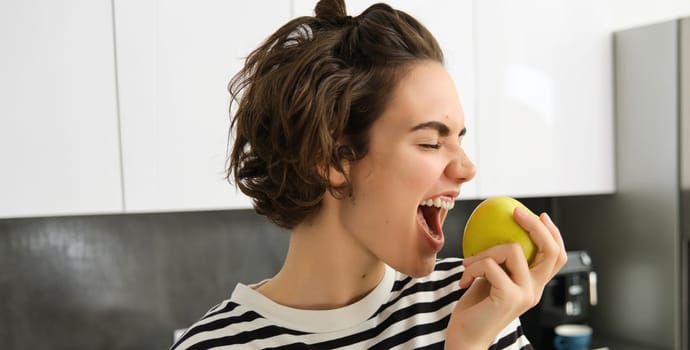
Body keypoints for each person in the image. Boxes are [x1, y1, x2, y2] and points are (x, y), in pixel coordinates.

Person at [171, 0, 567, 349]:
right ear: (333, 159)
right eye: (430, 142)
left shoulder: (475, 300)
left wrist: (470, 343)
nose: (466, 168)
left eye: (459, 140)